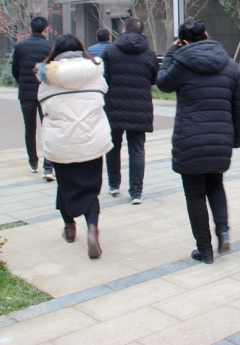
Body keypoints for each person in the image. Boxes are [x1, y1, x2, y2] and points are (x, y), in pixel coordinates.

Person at [156, 20, 240, 265]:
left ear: (183, 42)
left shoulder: (181, 63)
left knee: (195, 194)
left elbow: (162, 83)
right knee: (215, 184)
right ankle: (223, 231)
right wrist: (236, 139)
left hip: (190, 138)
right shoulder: (229, 64)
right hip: (220, 137)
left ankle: (205, 250)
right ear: (206, 34)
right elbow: (238, 105)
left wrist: (172, 52)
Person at [36, 34, 112, 259]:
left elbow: (44, 107)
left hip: (61, 141)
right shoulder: (95, 70)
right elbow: (103, 96)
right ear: (80, 49)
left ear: (56, 52)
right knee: (90, 188)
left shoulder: (47, 76)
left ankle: (69, 228)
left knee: (66, 184)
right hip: (91, 138)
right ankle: (92, 228)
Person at [101, 18, 159, 205]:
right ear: (142, 33)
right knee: (137, 149)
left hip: (114, 105)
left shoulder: (110, 51)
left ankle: (114, 184)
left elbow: (103, 78)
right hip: (139, 106)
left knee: (113, 146)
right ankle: (136, 192)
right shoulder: (149, 53)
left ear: (123, 30)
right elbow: (154, 78)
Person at [11, 16, 55, 181]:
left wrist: (22, 82)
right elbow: (52, 71)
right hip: (45, 93)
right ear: (46, 29)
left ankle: (32, 162)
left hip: (26, 93)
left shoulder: (20, 46)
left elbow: (15, 69)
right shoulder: (50, 47)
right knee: (47, 128)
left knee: (29, 128)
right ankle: (48, 167)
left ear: (31, 29)